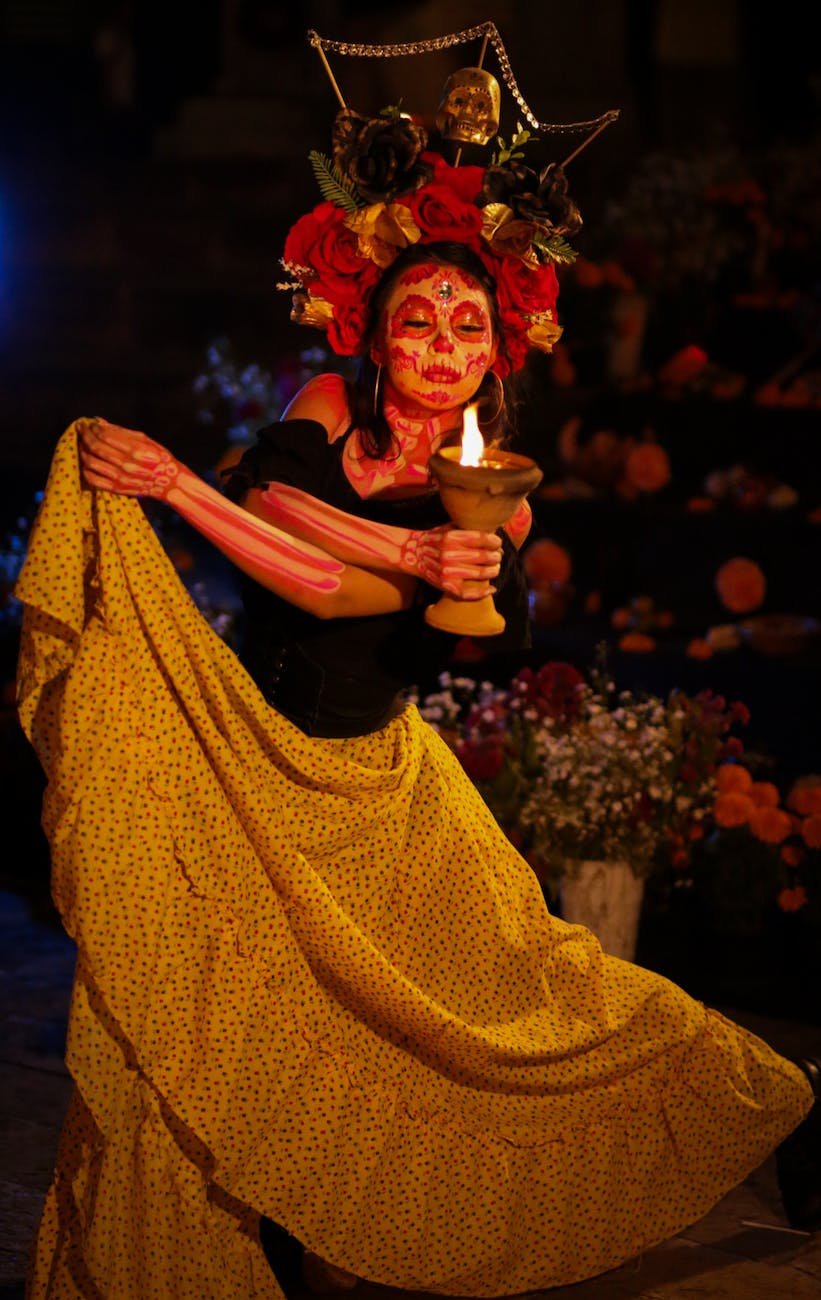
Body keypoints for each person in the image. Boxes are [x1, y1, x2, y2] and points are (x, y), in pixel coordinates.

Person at [16, 63, 820, 1300]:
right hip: (250, 758)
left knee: (527, 992)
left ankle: (761, 1100)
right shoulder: (327, 400)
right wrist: (274, 507)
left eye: (465, 328)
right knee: (215, 1014)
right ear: (376, 333)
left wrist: (212, 495)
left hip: (378, 789)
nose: (440, 346)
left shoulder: (494, 480)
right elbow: (277, 498)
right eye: (418, 319)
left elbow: (327, 590)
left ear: (495, 356)